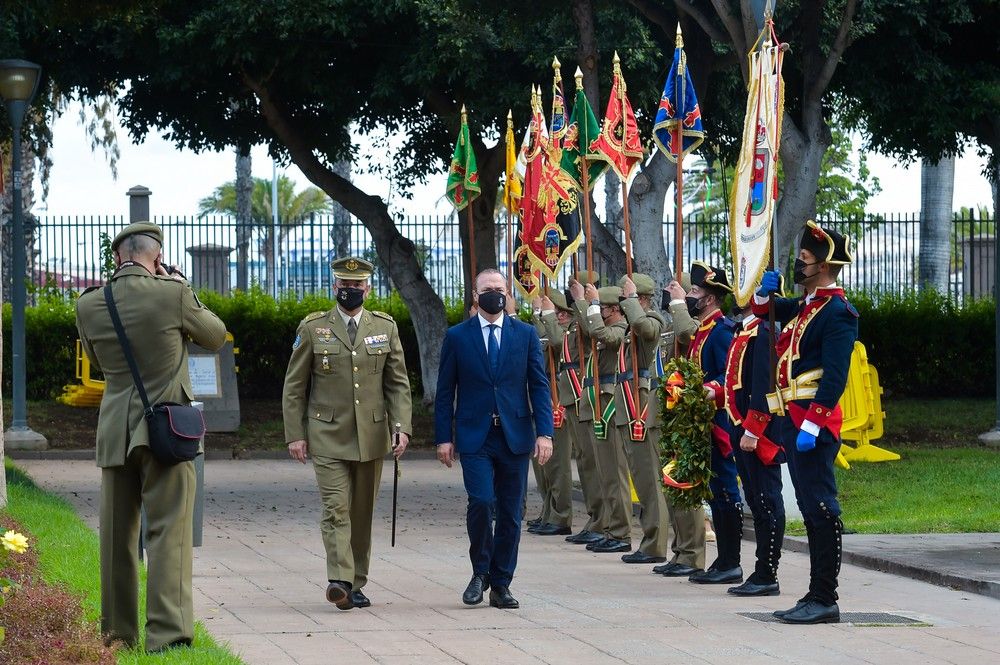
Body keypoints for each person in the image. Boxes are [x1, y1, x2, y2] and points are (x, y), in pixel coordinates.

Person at [75, 221, 227, 652]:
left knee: (116, 539)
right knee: (169, 534)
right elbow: (215, 336)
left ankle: (118, 636)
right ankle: (168, 636)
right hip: (166, 432)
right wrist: (183, 287)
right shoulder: (173, 294)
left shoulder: (89, 304)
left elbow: (97, 360)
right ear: (157, 258)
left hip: (114, 433)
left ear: (117, 258)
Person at [282, 256, 412, 611]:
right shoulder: (313, 328)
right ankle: (339, 579)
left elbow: (397, 384)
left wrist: (401, 428)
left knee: (361, 513)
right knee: (336, 508)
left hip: (371, 435)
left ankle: (356, 583)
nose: (350, 291)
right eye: (344, 285)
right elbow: (294, 386)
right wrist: (296, 433)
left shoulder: (385, 327)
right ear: (334, 286)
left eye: (357, 286)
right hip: (326, 434)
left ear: (368, 288)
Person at [752, 221, 858, 624]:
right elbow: (762, 309)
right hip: (791, 421)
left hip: (813, 423)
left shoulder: (838, 313)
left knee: (821, 508)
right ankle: (815, 592)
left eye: (805, 260)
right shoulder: (806, 305)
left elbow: (834, 376)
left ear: (825, 266)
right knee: (813, 509)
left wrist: (814, 423)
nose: (798, 265)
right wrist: (765, 288)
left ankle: (825, 596)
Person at [434, 269, 553, 609]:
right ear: (475, 295)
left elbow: (539, 386)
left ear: (508, 294)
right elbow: (445, 392)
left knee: (511, 512)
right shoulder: (458, 337)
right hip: (475, 437)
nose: (494, 295)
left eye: (500, 289)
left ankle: (501, 583)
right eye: (487, 289)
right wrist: (444, 437)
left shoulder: (525, 334)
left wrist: (544, 432)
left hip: (514, 435)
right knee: (482, 502)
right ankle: (480, 572)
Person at [659, 262, 741, 584]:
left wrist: (709, 390)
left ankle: (731, 561)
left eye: (694, 292)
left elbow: (727, 375)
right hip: (700, 423)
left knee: (724, 490)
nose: (691, 296)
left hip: (717, 422)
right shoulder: (701, 332)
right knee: (715, 492)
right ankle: (723, 561)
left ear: (708, 299)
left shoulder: (720, 331)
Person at [724, 293, 787, 597]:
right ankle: (761, 571)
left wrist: (754, 428)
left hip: (757, 430)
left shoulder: (764, 329)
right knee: (756, 499)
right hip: (740, 425)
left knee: (767, 501)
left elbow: (764, 382)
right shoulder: (745, 329)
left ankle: (767, 572)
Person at [570, 281, 633, 554]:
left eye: (604, 309)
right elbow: (591, 328)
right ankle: (609, 526)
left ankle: (620, 531)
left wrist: (590, 305)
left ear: (616, 310)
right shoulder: (605, 324)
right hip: (597, 396)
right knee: (603, 470)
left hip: (609, 399)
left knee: (614, 470)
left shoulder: (619, 329)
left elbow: (601, 335)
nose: (601, 314)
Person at [614, 273, 671, 564]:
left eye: (627, 298)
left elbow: (646, 328)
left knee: (650, 481)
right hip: (629, 409)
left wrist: (633, 301)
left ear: (642, 298)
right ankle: (650, 541)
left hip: (643, 411)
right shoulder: (631, 328)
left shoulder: (652, 321)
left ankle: (655, 545)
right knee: (642, 479)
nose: (623, 304)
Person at [528, 291, 576, 536]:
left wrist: (543, 315)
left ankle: (560, 516)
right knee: (544, 466)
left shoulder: (569, 332)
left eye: (557, 313)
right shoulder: (553, 330)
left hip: (560, 399)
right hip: (547, 397)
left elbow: (555, 343)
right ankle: (549, 511)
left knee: (557, 465)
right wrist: (538, 315)